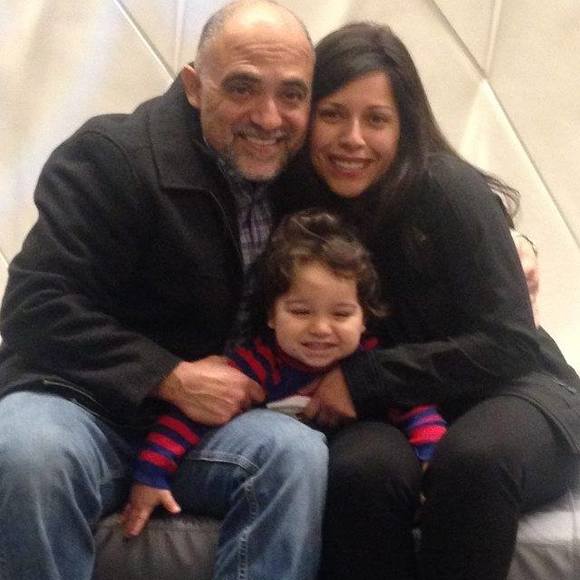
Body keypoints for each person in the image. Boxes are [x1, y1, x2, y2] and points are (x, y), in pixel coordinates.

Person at [0, 2, 330, 579]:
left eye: (291, 94)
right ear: (195, 87)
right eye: (243, 88)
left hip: (207, 431)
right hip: (81, 408)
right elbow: (35, 305)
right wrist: (170, 377)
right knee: (26, 451)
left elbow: (397, 199)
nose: (269, 117)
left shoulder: (304, 176)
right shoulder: (112, 157)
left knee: (295, 455)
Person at [276, 22, 580, 580]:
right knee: (362, 475)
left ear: (405, 124)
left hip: (512, 388)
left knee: (474, 462)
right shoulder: (294, 202)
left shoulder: (448, 189)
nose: (352, 138)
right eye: (333, 114)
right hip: (389, 411)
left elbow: (510, 341)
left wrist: (366, 379)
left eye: (376, 119)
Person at [121, 209, 448, 537]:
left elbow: (416, 409)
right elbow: (188, 417)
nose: (321, 328)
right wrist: (151, 474)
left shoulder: (369, 365)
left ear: (364, 319)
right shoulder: (255, 365)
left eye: (341, 314)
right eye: (301, 311)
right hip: (281, 480)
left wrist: (431, 457)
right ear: (272, 315)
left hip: (347, 483)